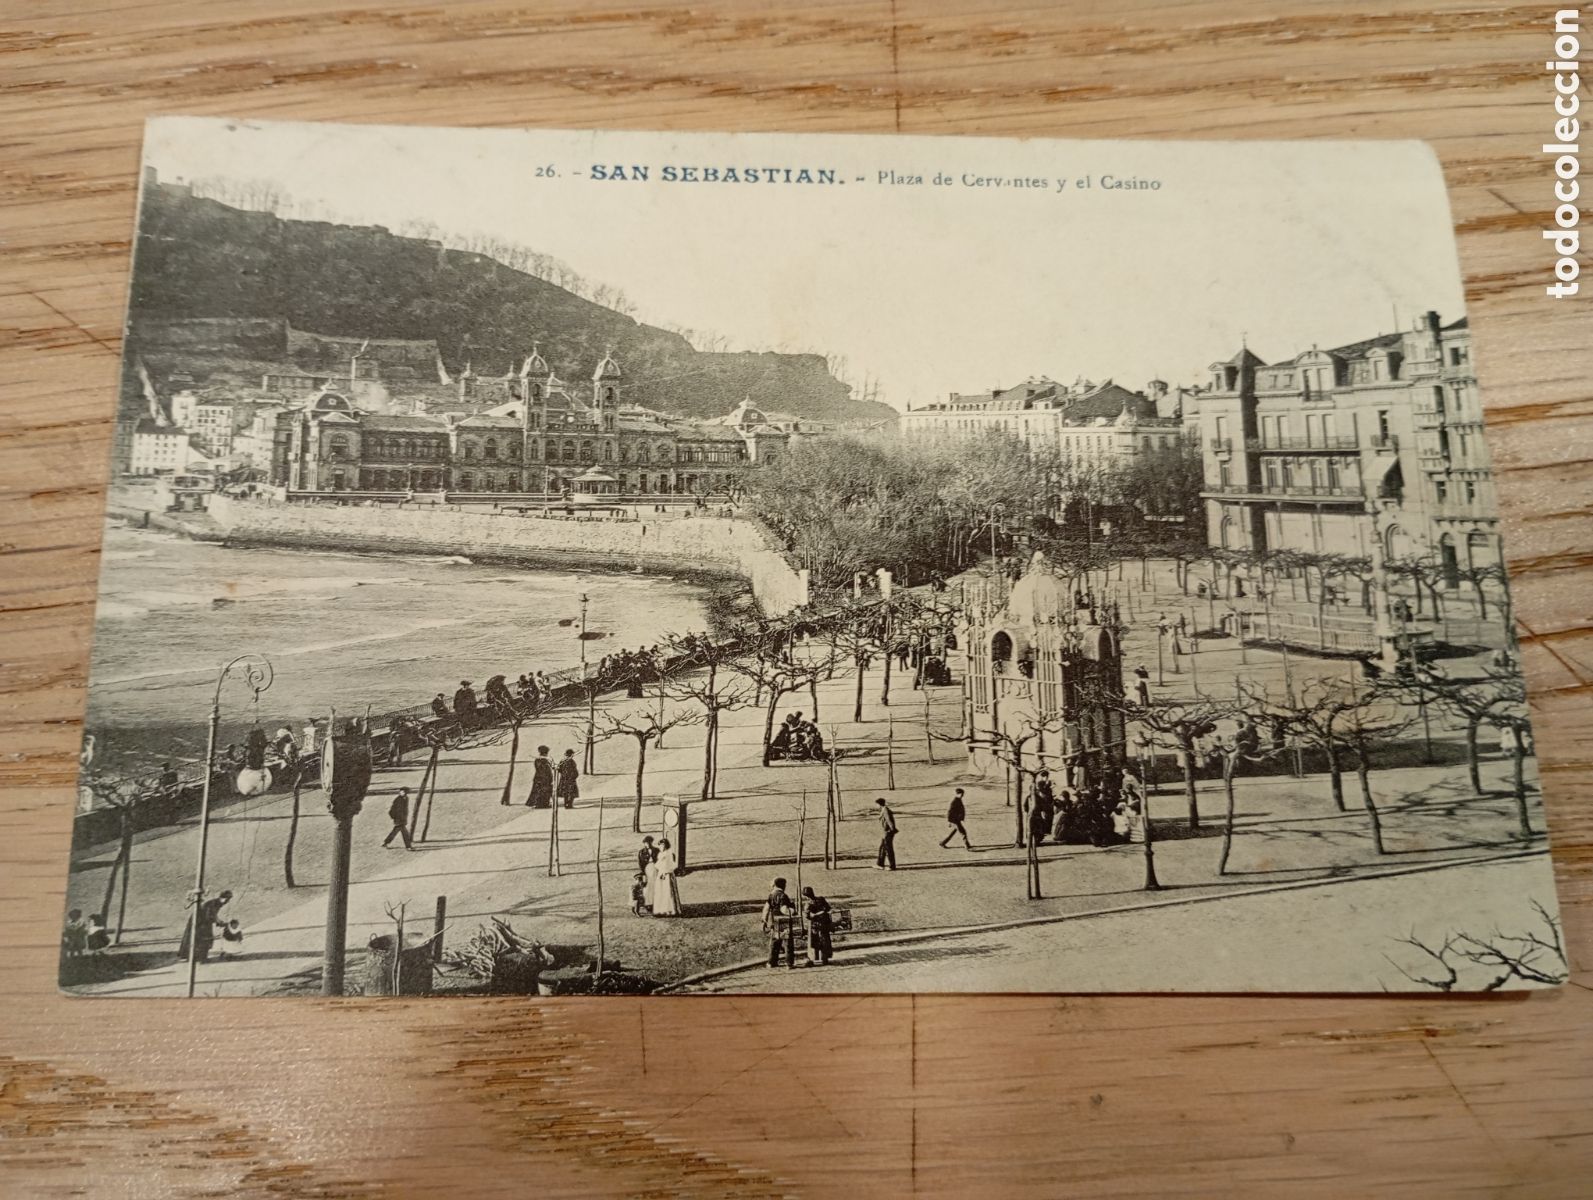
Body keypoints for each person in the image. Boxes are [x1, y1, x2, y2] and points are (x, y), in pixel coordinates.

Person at [179, 890, 232, 963]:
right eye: (227, 899)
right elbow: (210, 915)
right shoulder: (215, 903)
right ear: (223, 898)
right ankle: (201, 958)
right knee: (204, 939)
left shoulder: (217, 903)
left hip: (201, 922)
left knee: (197, 939)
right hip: (200, 922)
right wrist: (219, 922)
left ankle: (196, 957)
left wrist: (218, 922)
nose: (227, 902)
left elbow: (212, 915)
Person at [762, 877, 797, 969]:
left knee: (774, 943)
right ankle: (789, 963)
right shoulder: (783, 896)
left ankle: (771, 962)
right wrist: (793, 911)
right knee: (787, 943)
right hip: (784, 922)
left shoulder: (771, 895)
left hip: (774, 922)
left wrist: (764, 920)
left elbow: (766, 909)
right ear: (783, 885)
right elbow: (784, 909)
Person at [802, 886, 833, 965]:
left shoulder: (808, 904)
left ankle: (814, 958)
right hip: (824, 924)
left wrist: (815, 914)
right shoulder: (821, 899)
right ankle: (824, 958)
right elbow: (828, 909)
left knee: (815, 942)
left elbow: (808, 916)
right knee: (824, 941)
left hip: (815, 926)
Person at [652, 838, 681, 916]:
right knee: (660, 891)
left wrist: (665, 873)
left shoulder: (669, 854)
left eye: (663, 845)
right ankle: (661, 910)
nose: (661, 847)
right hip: (661, 874)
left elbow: (670, 865)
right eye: (660, 846)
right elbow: (658, 865)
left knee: (667, 891)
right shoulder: (661, 854)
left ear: (666, 846)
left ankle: (670, 910)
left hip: (667, 874)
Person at [874, 797, 898, 870]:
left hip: (888, 832)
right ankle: (880, 864)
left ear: (879, 804)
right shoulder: (883, 810)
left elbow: (889, 820)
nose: (876, 806)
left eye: (877, 804)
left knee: (888, 849)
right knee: (882, 848)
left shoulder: (885, 810)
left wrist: (892, 829)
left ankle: (892, 866)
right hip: (885, 832)